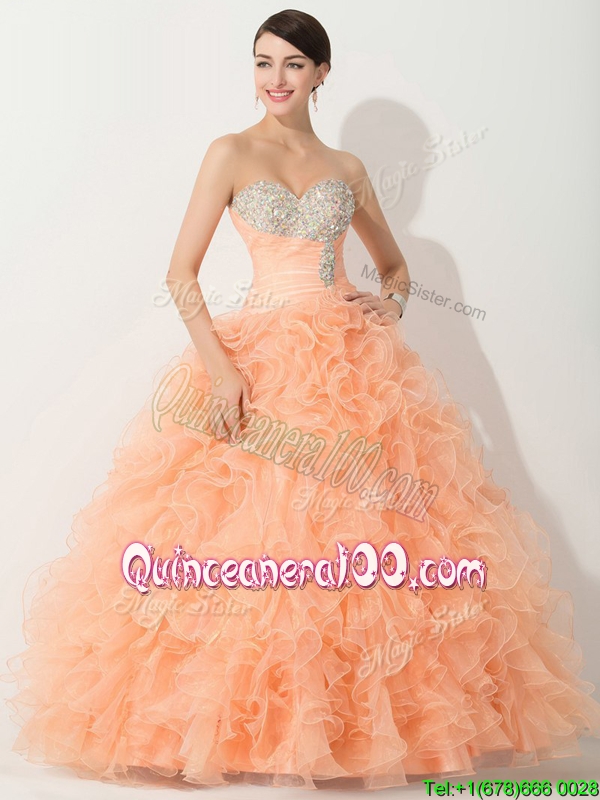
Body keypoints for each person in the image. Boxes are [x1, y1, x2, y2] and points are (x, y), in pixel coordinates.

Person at [4, 8, 600, 793]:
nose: (275, 79)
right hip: (257, 357)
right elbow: (181, 275)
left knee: (366, 543)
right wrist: (221, 370)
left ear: (322, 73)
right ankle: (236, 728)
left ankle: (351, 732)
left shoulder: (347, 168)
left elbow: (395, 270)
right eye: (262, 62)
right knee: (245, 534)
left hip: (351, 366)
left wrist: (384, 307)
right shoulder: (229, 152)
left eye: (292, 63)